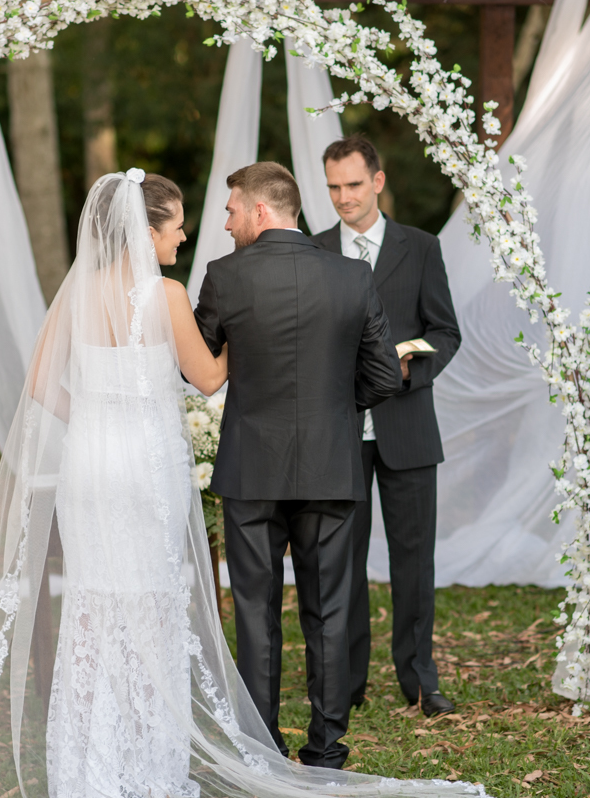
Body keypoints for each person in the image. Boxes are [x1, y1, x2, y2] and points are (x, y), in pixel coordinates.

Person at [0, 170, 481, 798]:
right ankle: (247, 752)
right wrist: (304, 377)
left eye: (217, 212)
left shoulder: (109, 289)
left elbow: (48, 385)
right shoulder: (199, 290)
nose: (197, 230)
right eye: (181, 222)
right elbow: (249, 375)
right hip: (216, 461)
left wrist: (94, 416)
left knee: (127, 606)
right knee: (235, 605)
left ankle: (135, 754)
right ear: (147, 230)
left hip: (117, 461)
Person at [194, 161, 403, 769]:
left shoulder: (223, 277)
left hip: (251, 468)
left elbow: (200, 368)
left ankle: (263, 747)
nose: (226, 221)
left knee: (256, 608)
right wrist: (337, 411)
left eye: (231, 209)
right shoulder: (351, 275)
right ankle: (327, 748)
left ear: (261, 211)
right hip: (331, 464)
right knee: (330, 606)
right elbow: (386, 376)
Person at [312, 135, 461, 718]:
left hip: (407, 427)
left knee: (413, 560)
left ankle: (420, 677)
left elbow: (445, 332)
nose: (343, 198)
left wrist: (408, 363)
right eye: (333, 187)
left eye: (353, 184)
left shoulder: (421, 248)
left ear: (377, 180)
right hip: (339, 432)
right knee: (339, 562)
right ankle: (344, 683)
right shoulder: (316, 250)